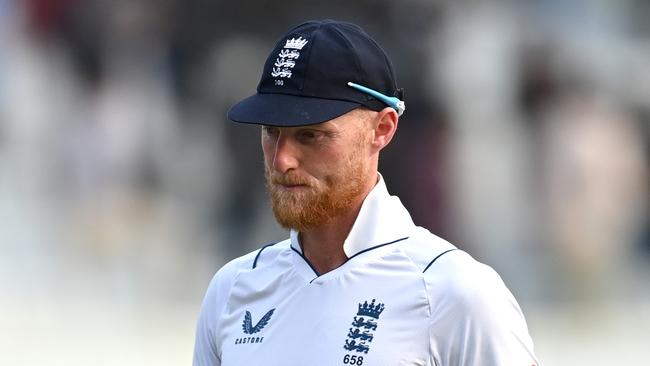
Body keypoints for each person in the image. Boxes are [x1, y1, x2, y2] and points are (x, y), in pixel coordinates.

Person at [193, 19, 539, 366]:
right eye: (271, 131)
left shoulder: (455, 292)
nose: (282, 160)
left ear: (383, 128)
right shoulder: (233, 289)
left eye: (310, 135)